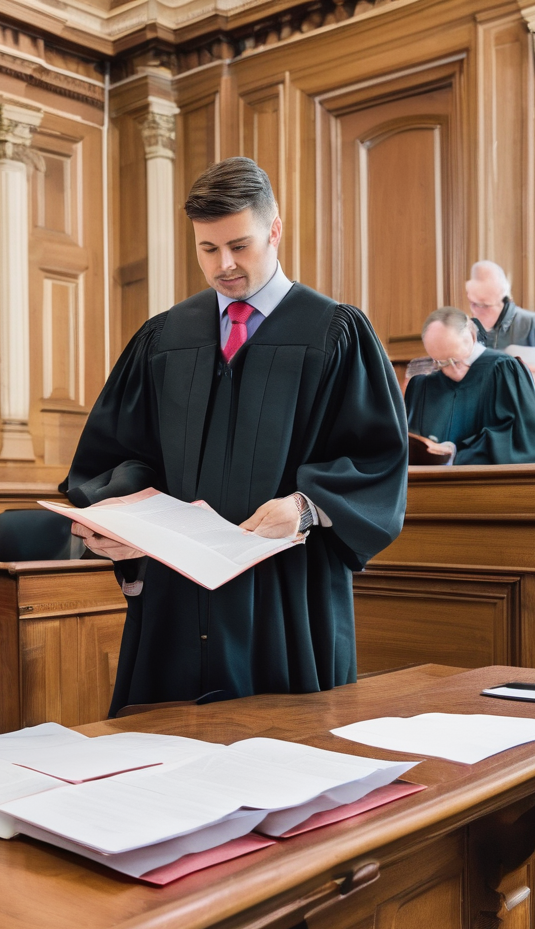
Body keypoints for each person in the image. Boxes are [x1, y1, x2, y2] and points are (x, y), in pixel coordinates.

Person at [62, 157, 408, 715]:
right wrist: (122, 524)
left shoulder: (335, 332)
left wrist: (304, 508)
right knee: (167, 755)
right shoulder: (165, 337)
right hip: (176, 594)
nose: (224, 265)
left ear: (274, 231)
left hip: (285, 592)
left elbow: (376, 459)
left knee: (283, 762)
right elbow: (124, 452)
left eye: (239, 246)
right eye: (207, 249)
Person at [404, 307, 535, 465]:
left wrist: (454, 455)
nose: (453, 370)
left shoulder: (503, 370)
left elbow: (523, 444)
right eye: (442, 362)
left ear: (472, 337)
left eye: (456, 360)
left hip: (485, 485)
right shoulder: (423, 386)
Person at [465, 261, 535, 350]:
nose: (476, 310)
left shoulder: (531, 322)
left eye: (484, 305)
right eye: (473, 304)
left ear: (501, 301)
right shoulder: (468, 326)